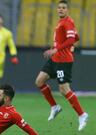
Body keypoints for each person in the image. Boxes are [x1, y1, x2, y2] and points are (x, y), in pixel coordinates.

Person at [35, 0, 88, 131]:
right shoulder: (61, 22)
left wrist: (56, 49)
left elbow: (71, 39)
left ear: (67, 10)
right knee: (39, 81)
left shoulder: (68, 22)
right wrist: (58, 47)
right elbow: (76, 37)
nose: (60, 9)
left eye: (63, 8)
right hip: (54, 59)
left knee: (64, 90)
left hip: (63, 61)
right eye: (59, 7)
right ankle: (54, 107)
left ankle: (82, 115)